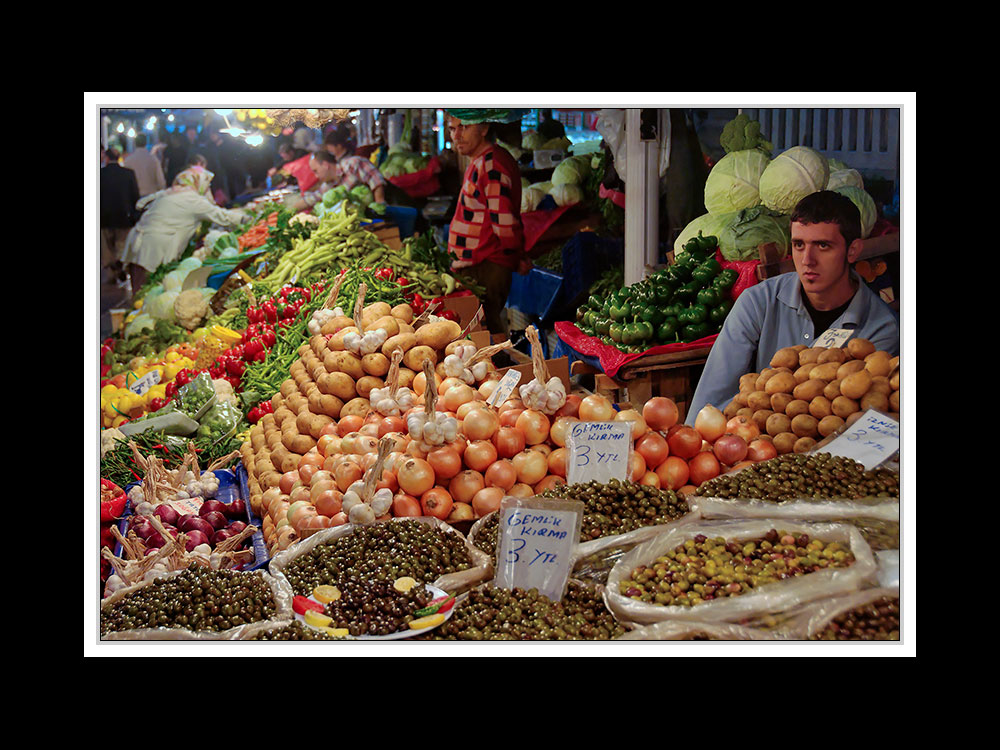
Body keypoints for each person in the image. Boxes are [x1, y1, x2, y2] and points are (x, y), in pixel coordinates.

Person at [686, 190, 900, 423]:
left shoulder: (882, 328)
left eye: (823, 246)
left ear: (853, 251)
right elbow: (709, 402)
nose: (808, 259)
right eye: (799, 245)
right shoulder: (757, 302)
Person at [445, 112, 532, 334]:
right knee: (481, 329)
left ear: (484, 128)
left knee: (487, 330)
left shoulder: (492, 163)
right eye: (453, 129)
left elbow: (503, 221)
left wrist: (516, 256)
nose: (457, 135)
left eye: (464, 127)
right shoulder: (480, 161)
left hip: (486, 265)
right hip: (476, 264)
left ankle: (501, 366)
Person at [120, 164, 248, 298]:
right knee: (148, 293)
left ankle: (134, 312)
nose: (208, 189)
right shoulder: (192, 199)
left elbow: (140, 204)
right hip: (154, 248)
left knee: (140, 289)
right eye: (207, 184)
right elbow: (223, 216)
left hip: (138, 242)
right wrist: (246, 218)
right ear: (199, 182)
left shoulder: (171, 193)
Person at [100, 146, 141, 280]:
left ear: (106, 158)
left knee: (107, 247)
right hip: (124, 216)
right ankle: (121, 265)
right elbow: (135, 195)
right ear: (119, 158)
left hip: (104, 217)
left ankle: (112, 270)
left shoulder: (99, 174)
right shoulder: (128, 173)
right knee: (122, 245)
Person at [322, 124, 388, 204]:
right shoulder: (338, 161)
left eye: (330, 147)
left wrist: (379, 201)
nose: (329, 150)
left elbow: (375, 178)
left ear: (338, 146)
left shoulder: (353, 161)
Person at [124, 133, 167, 197]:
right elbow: (160, 181)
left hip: (135, 196)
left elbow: (126, 182)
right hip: (152, 195)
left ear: (135, 143)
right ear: (146, 143)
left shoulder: (128, 161)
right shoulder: (153, 159)